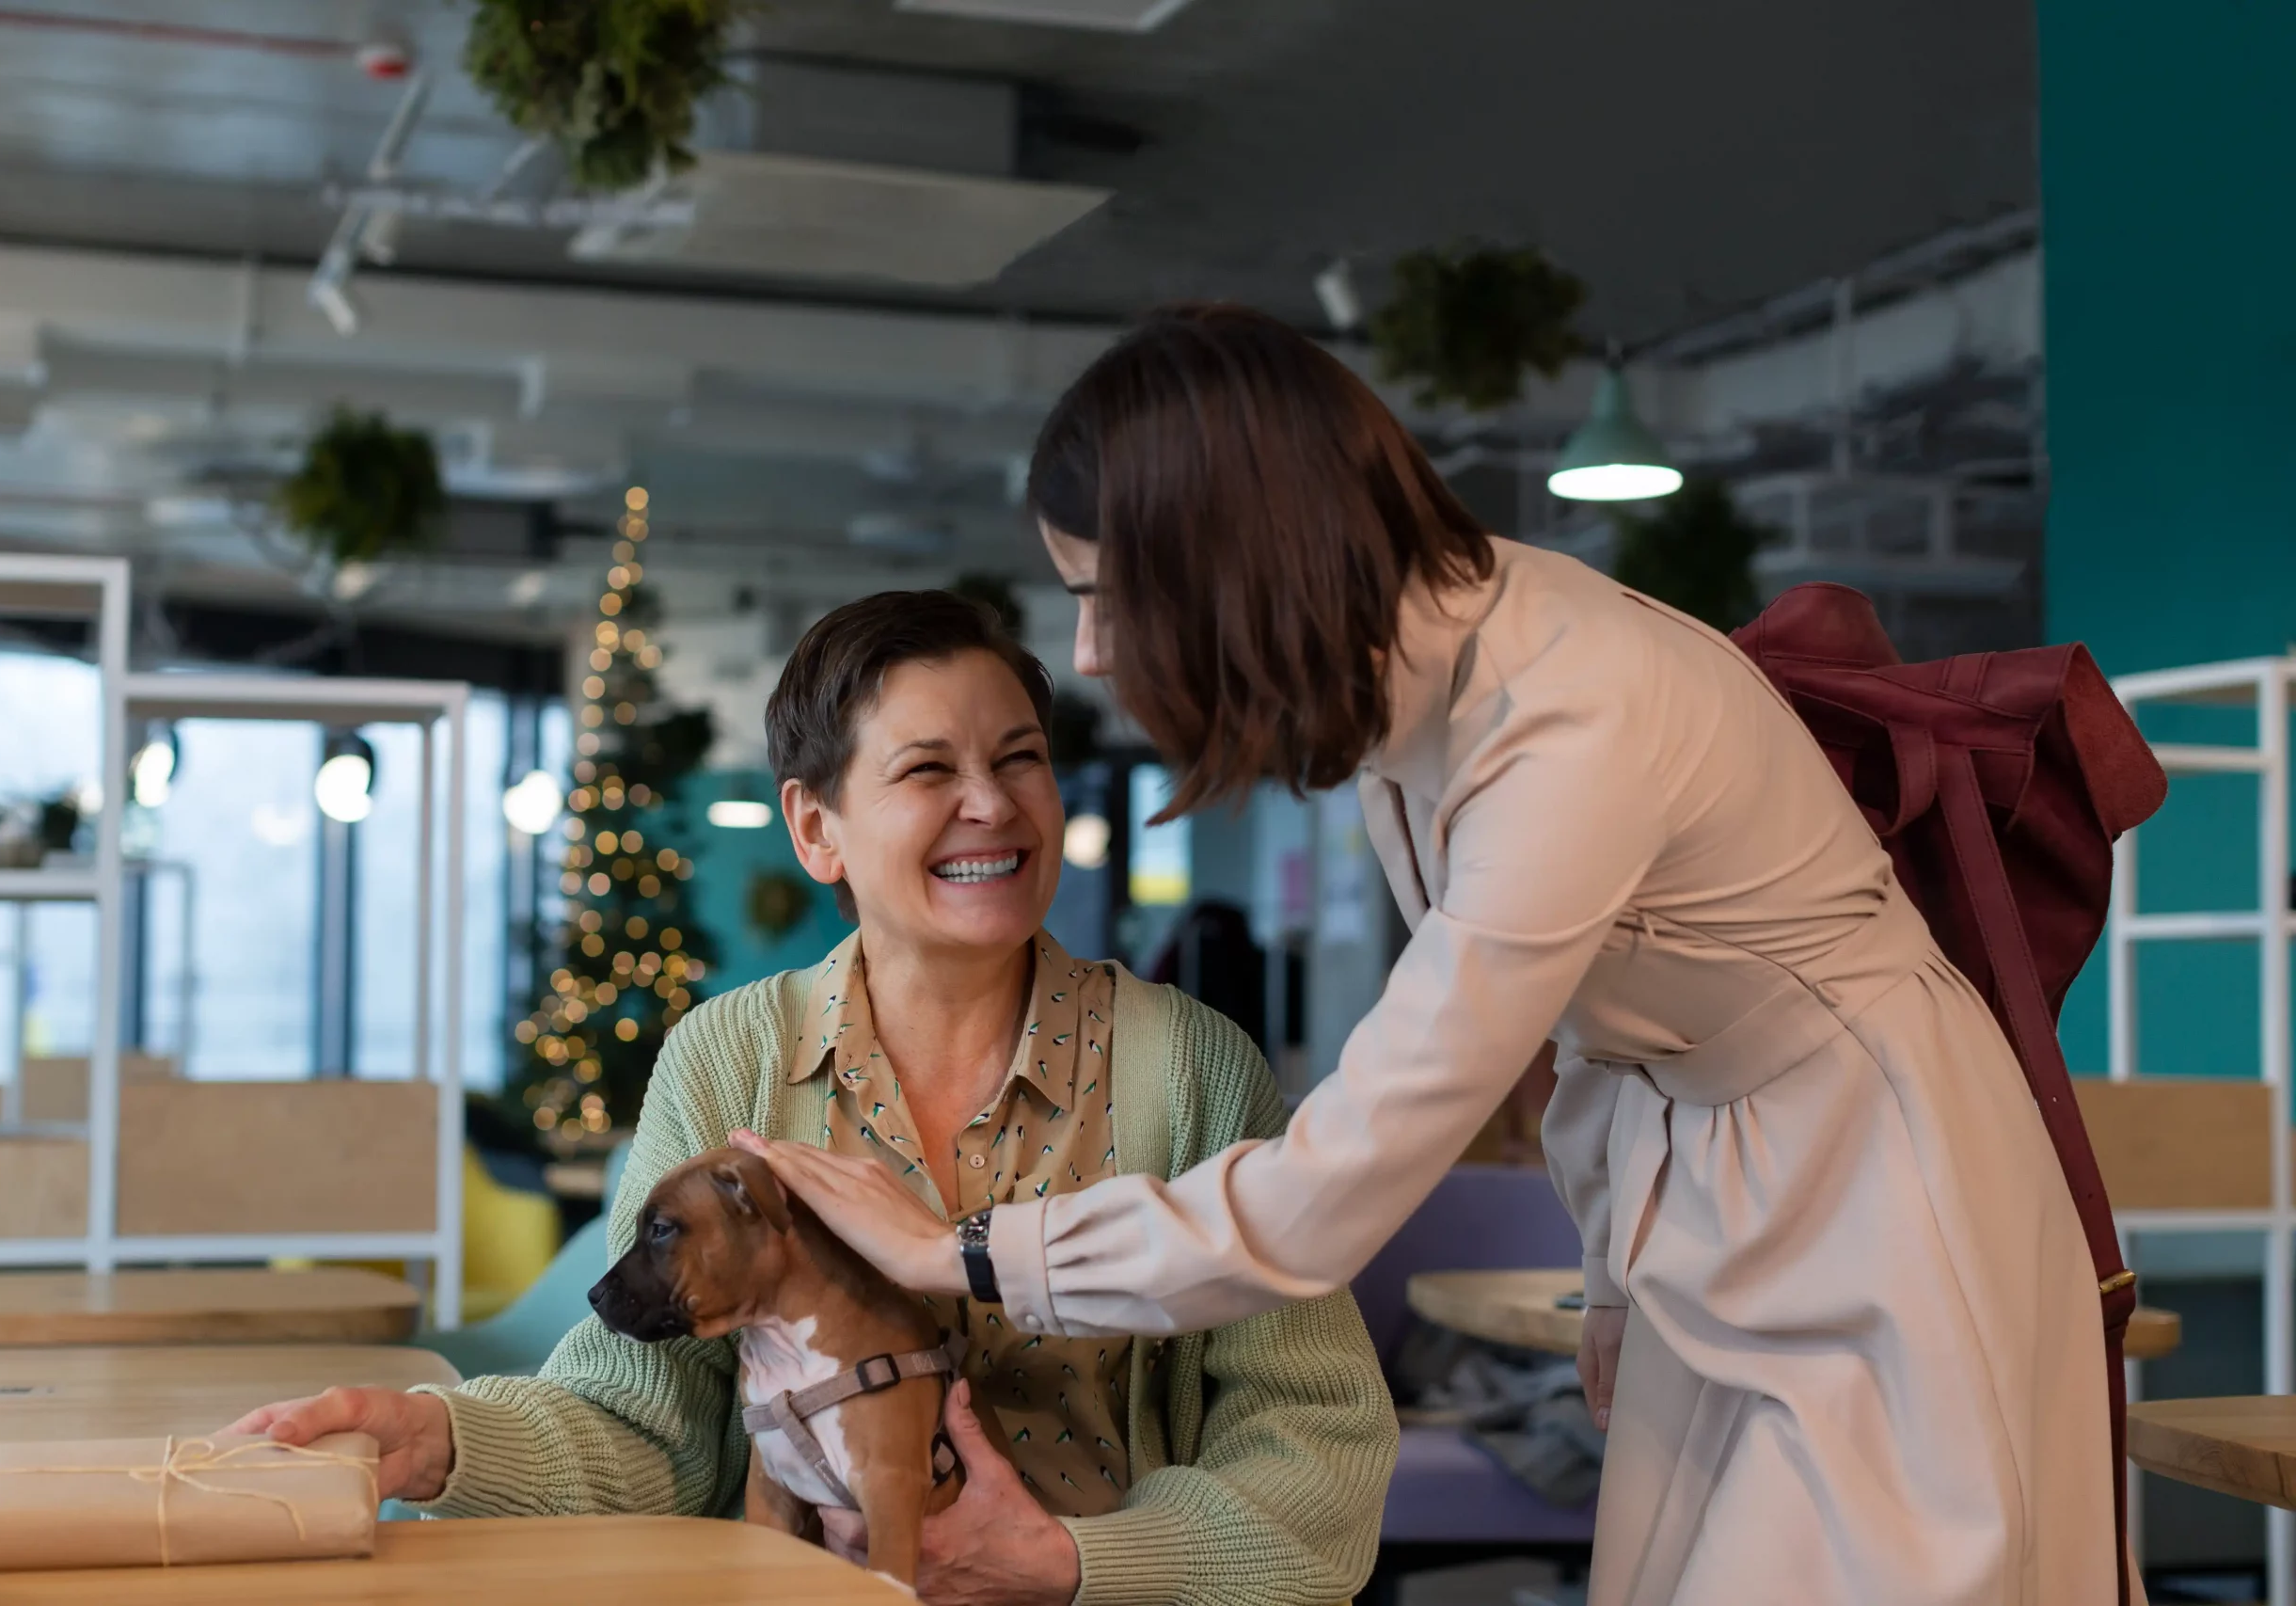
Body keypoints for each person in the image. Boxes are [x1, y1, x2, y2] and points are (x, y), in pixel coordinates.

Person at [736, 306, 2130, 1606]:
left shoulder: (1567, 719)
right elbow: (1594, 1030)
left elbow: (1328, 1194)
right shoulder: (1421, 690)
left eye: (1104, 592)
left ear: (1220, 562)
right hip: (1715, 1179)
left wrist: (960, 1247)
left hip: (1879, 1191)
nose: (1092, 651)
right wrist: (1615, 1263)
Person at [233, 589, 1397, 1606]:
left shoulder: (1188, 1068)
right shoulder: (730, 1060)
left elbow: (1317, 1449)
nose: (991, 803)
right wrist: (440, 1440)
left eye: (1020, 757)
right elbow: (653, 1424)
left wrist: (1076, 1566)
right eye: (929, 769)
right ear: (815, 828)